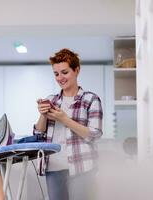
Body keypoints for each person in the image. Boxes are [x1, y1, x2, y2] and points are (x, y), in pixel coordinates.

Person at [33, 48, 103, 200]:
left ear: (76, 70)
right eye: (56, 74)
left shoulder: (90, 99)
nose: (60, 78)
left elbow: (95, 134)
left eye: (64, 72)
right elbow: (38, 134)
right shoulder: (51, 100)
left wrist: (64, 119)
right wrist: (43, 115)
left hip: (82, 167)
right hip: (53, 167)